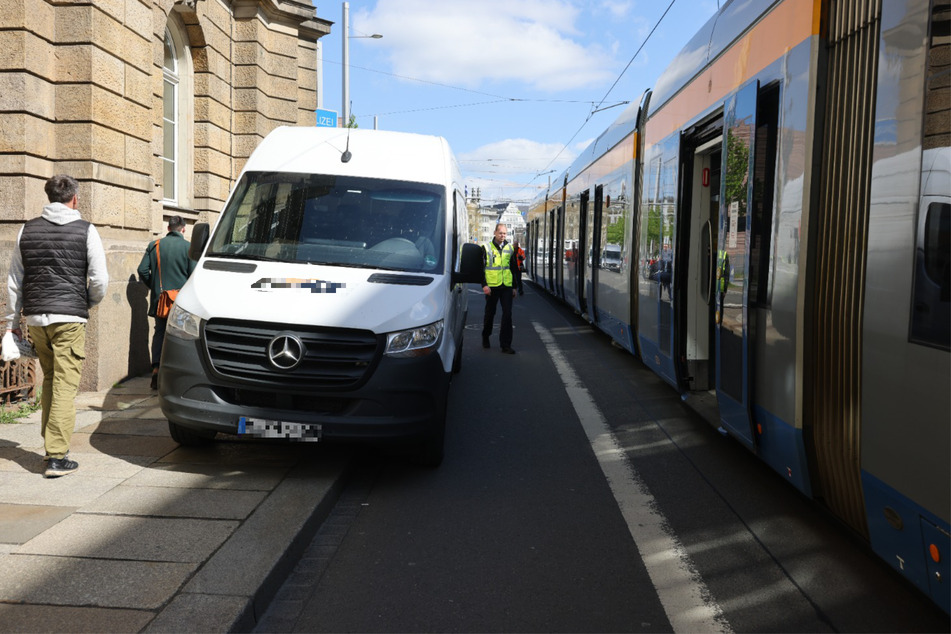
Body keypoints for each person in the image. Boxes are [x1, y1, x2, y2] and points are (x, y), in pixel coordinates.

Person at [5, 174, 109, 478]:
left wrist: (12, 325)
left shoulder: (27, 229)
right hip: (70, 319)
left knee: (50, 379)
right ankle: (56, 456)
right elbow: (100, 280)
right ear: (74, 199)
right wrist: (85, 302)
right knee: (65, 384)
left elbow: (14, 281)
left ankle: (50, 442)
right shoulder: (87, 231)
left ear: (49, 197)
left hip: (37, 318)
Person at [138, 215, 196, 389]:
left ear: (168, 229)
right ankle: (177, 375)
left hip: (160, 299)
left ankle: (156, 368)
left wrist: (155, 287)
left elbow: (142, 270)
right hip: (181, 302)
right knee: (182, 335)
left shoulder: (155, 245)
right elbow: (193, 276)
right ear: (183, 229)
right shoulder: (189, 248)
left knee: (160, 332)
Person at [481, 223, 520, 354]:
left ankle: (506, 345)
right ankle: (486, 336)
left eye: (505, 233)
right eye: (500, 233)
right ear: (495, 233)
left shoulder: (510, 248)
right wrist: (484, 285)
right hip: (492, 287)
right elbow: (481, 269)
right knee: (490, 314)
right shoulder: (486, 248)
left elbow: (513, 268)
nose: (502, 235)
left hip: (506, 287)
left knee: (507, 314)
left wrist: (514, 286)